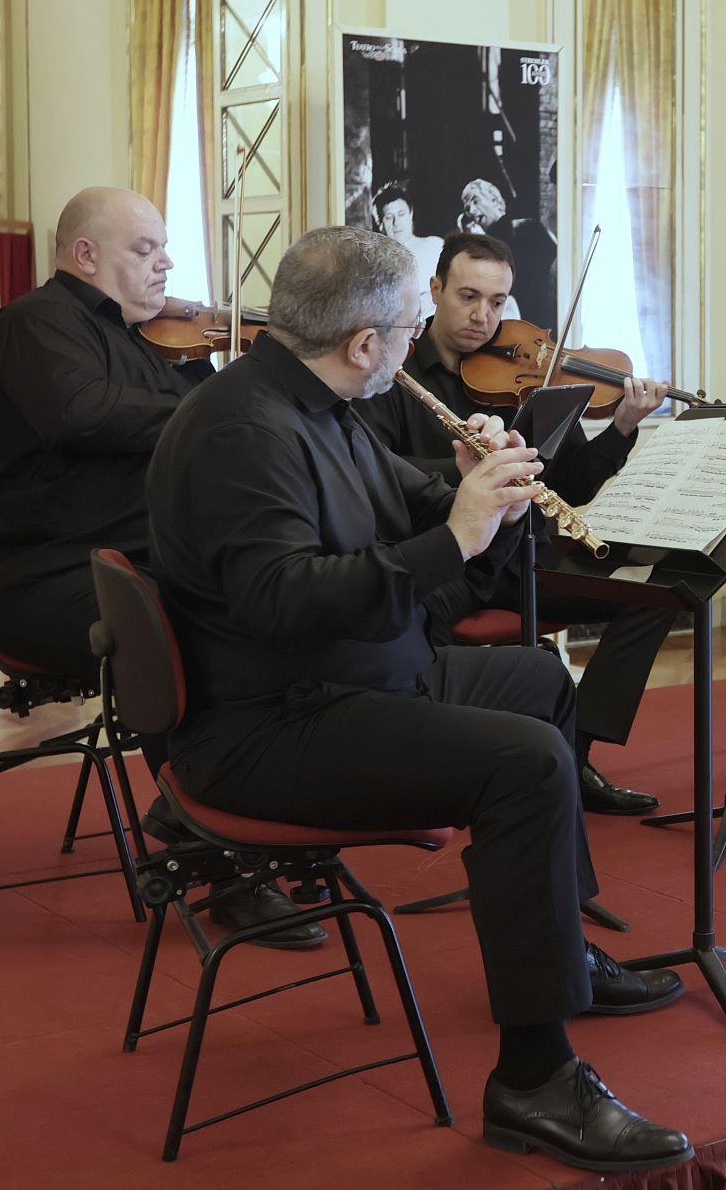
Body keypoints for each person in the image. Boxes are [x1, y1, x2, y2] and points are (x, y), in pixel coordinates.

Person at [145, 226, 690, 1172]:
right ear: (363, 341)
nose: (416, 351)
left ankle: (559, 946)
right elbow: (281, 601)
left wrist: (483, 480)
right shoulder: (245, 430)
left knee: (534, 680)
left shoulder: (312, 394)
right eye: (405, 332)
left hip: (346, 673)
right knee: (524, 764)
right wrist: (461, 533)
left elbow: (402, 487)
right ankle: (534, 1077)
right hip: (272, 721)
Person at [0, 185, 322, 949]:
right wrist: (222, 405)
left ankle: (278, 810)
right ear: (85, 254)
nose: (166, 263)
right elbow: (83, 414)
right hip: (42, 577)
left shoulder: (165, 340)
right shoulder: (32, 324)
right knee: (182, 629)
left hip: (146, 561)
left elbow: (216, 445)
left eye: (164, 247)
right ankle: (213, 859)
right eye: (145, 248)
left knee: (276, 602)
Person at [355, 232, 677, 816]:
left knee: (659, 593)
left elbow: (572, 483)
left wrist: (624, 426)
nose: (484, 316)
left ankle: (575, 747)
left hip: (533, 550)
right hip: (456, 559)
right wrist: (475, 474)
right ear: (435, 290)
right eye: (468, 296)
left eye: (498, 301)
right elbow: (376, 473)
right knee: (540, 656)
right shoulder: (394, 372)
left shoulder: (522, 371)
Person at [456, 178, 557, 328]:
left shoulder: (525, 227)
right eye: (467, 208)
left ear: (494, 199)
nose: (471, 211)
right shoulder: (488, 241)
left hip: (534, 319)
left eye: (475, 201)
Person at [372, 182, 444, 320]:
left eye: (401, 214)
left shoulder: (435, 245)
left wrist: (434, 297)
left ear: (411, 214)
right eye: (389, 217)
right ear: (380, 223)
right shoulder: (375, 261)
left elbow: (456, 285)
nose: (396, 222)